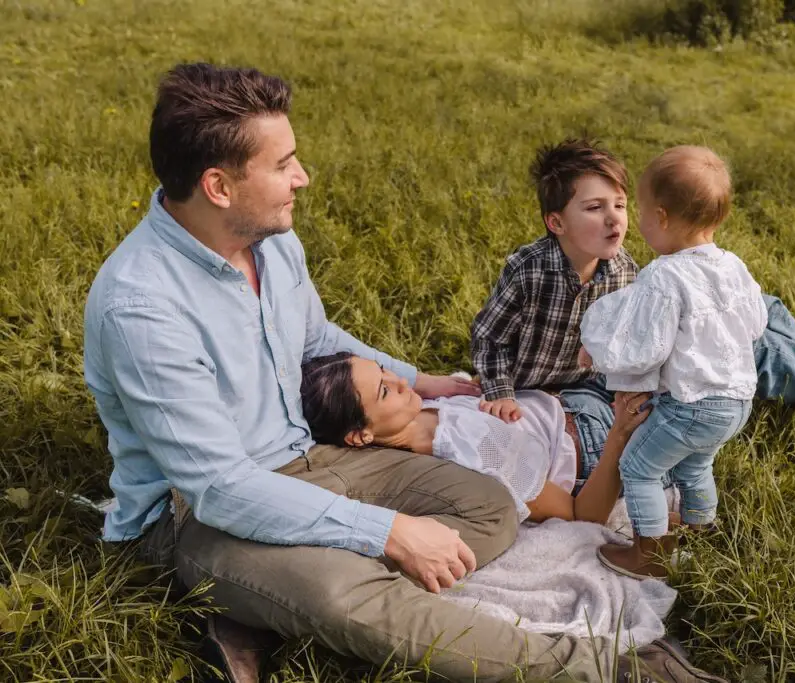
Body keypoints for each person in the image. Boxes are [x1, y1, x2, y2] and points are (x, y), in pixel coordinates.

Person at [83, 62, 728, 683]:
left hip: (313, 454)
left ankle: (264, 608)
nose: (302, 177)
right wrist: (389, 531)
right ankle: (617, 669)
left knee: (491, 505)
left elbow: (314, 336)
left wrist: (421, 381)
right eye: (283, 166)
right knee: (349, 598)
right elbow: (220, 487)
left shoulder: (271, 240)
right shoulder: (142, 309)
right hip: (202, 514)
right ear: (219, 186)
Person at [469, 139, 795, 467]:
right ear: (557, 221)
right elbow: (489, 337)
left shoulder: (622, 266)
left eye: (620, 204)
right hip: (576, 386)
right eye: (595, 207)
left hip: (614, 363)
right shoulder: (529, 270)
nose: (614, 217)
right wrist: (501, 392)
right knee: (746, 338)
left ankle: (793, 349)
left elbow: (644, 325)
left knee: (757, 307)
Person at [580, 146, 764, 578]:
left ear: (661, 217)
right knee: (695, 463)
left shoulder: (664, 275)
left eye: (640, 213)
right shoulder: (732, 265)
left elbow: (644, 346)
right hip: (737, 401)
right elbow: (756, 322)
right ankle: (701, 527)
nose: (637, 223)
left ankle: (650, 555)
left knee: (638, 467)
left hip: (694, 403)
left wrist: (599, 352)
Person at [300, 351, 652, 525]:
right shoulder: (471, 453)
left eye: (383, 370)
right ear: (361, 436)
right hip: (596, 439)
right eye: (384, 391)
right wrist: (621, 435)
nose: (402, 382)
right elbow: (578, 514)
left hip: (567, 397)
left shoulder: (416, 415)